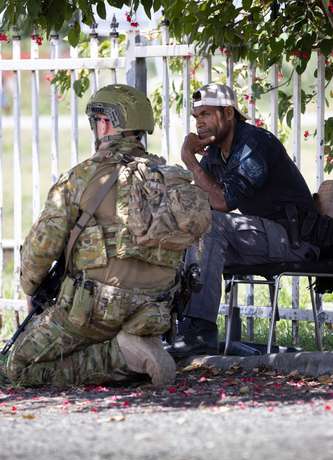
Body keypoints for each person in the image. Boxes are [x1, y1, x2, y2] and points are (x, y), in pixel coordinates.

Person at [5, 84, 211, 387]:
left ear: (104, 123)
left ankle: (123, 357)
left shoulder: (82, 177)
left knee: (15, 368)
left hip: (93, 311)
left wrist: (30, 286)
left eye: (96, 122)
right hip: (155, 309)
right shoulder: (169, 177)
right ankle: (134, 349)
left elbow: (41, 248)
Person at [177, 82, 320, 355]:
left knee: (211, 224)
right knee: (184, 231)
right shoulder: (216, 154)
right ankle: (174, 328)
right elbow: (200, 199)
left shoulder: (254, 144)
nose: (199, 124)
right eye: (197, 117)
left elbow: (221, 202)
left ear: (228, 113)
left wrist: (190, 160)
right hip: (258, 236)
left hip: (293, 237)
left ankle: (199, 331)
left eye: (206, 114)